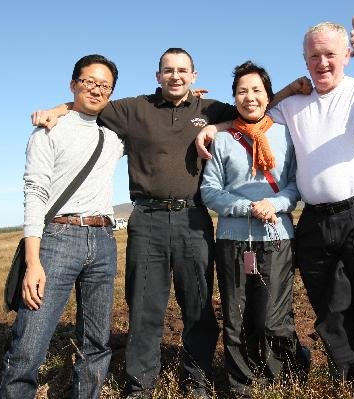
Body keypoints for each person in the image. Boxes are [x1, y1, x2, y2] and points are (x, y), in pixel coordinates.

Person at [32, 48, 312, 398]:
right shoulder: (135, 109)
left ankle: (198, 380)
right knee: (145, 306)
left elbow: (255, 109)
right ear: (157, 75)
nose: (175, 76)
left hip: (191, 220)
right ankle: (140, 385)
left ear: (194, 76)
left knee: (197, 305)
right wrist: (57, 110)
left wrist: (289, 89)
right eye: (168, 70)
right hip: (146, 219)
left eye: (182, 70)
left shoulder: (209, 109)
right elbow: (91, 101)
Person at [196, 17, 354, 399]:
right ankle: (350, 386)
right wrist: (217, 126)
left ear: (347, 54)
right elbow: (256, 115)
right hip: (314, 223)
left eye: (330, 54)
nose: (322, 62)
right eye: (314, 55)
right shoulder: (293, 105)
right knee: (330, 313)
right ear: (304, 60)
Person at [0, 54, 124, 399]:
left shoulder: (114, 137)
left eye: (105, 86)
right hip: (58, 238)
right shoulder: (49, 130)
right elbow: (35, 192)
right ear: (73, 84)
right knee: (29, 342)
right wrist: (33, 261)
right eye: (89, 82)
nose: (96, 89)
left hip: (103, 239)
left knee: (96, 343)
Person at [200, 61, 310, 398]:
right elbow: (210, 190)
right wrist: (246, 207)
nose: (250, 97)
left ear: (267, 95)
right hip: (233, 240)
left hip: (277, 238)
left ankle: (286, 374)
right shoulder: (222, 139)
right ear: (234, 97)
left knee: (272, 319)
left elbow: (295, 187)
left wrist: (274, 204)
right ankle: (242, 386)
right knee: (235, 318)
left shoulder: (285, 135)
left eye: (256, 90)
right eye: (242, 91)